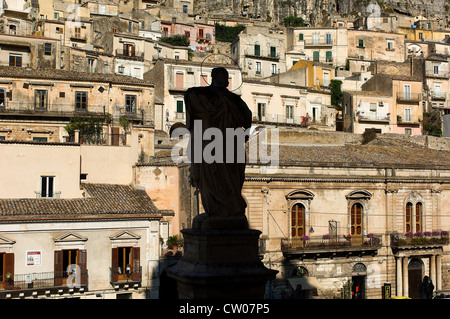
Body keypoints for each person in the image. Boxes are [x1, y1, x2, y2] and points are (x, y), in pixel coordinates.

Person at [184, 67, 252, 230]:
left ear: (211, 78)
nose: (226, 81)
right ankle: (227, 209)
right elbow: (247, 119)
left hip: (211, 146)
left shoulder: (199, 96)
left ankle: (216, 210)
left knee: (211, 179)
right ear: (224, 80)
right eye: (225, 78)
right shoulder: (235, 100)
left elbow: (189, 97)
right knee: (230, 179)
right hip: (230, 148)